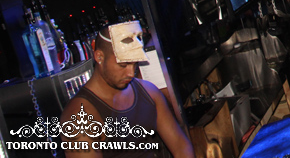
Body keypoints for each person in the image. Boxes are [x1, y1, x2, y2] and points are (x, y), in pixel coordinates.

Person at [60, 22, 193, 158]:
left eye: (135, 64)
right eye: (123, 65)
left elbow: (181, 146)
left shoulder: (148, 91)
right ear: (99, 57)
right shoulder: (79, 116)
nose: (131, 73)